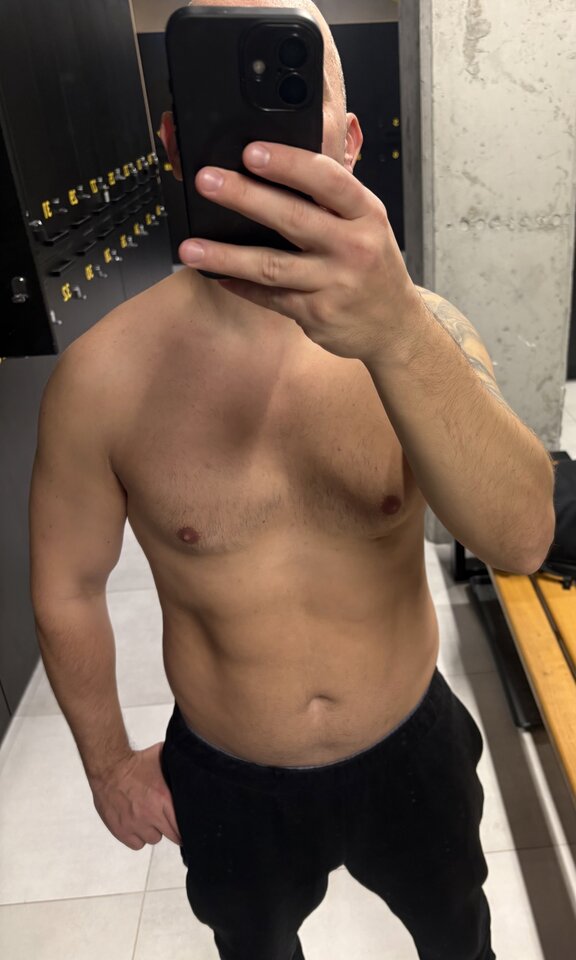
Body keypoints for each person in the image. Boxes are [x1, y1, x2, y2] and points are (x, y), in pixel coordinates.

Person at [28, 1, 556, 958]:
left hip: (412, 743)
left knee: (460, 942)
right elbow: (67, 585)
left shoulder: (424, 335)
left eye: (293, 92)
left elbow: (522, 536)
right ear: (176, 141)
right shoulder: (103, 377)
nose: (261, 137)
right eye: (224, 104)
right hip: (231, 777)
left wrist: (397, 333)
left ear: (348, 143)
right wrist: (107, 766)